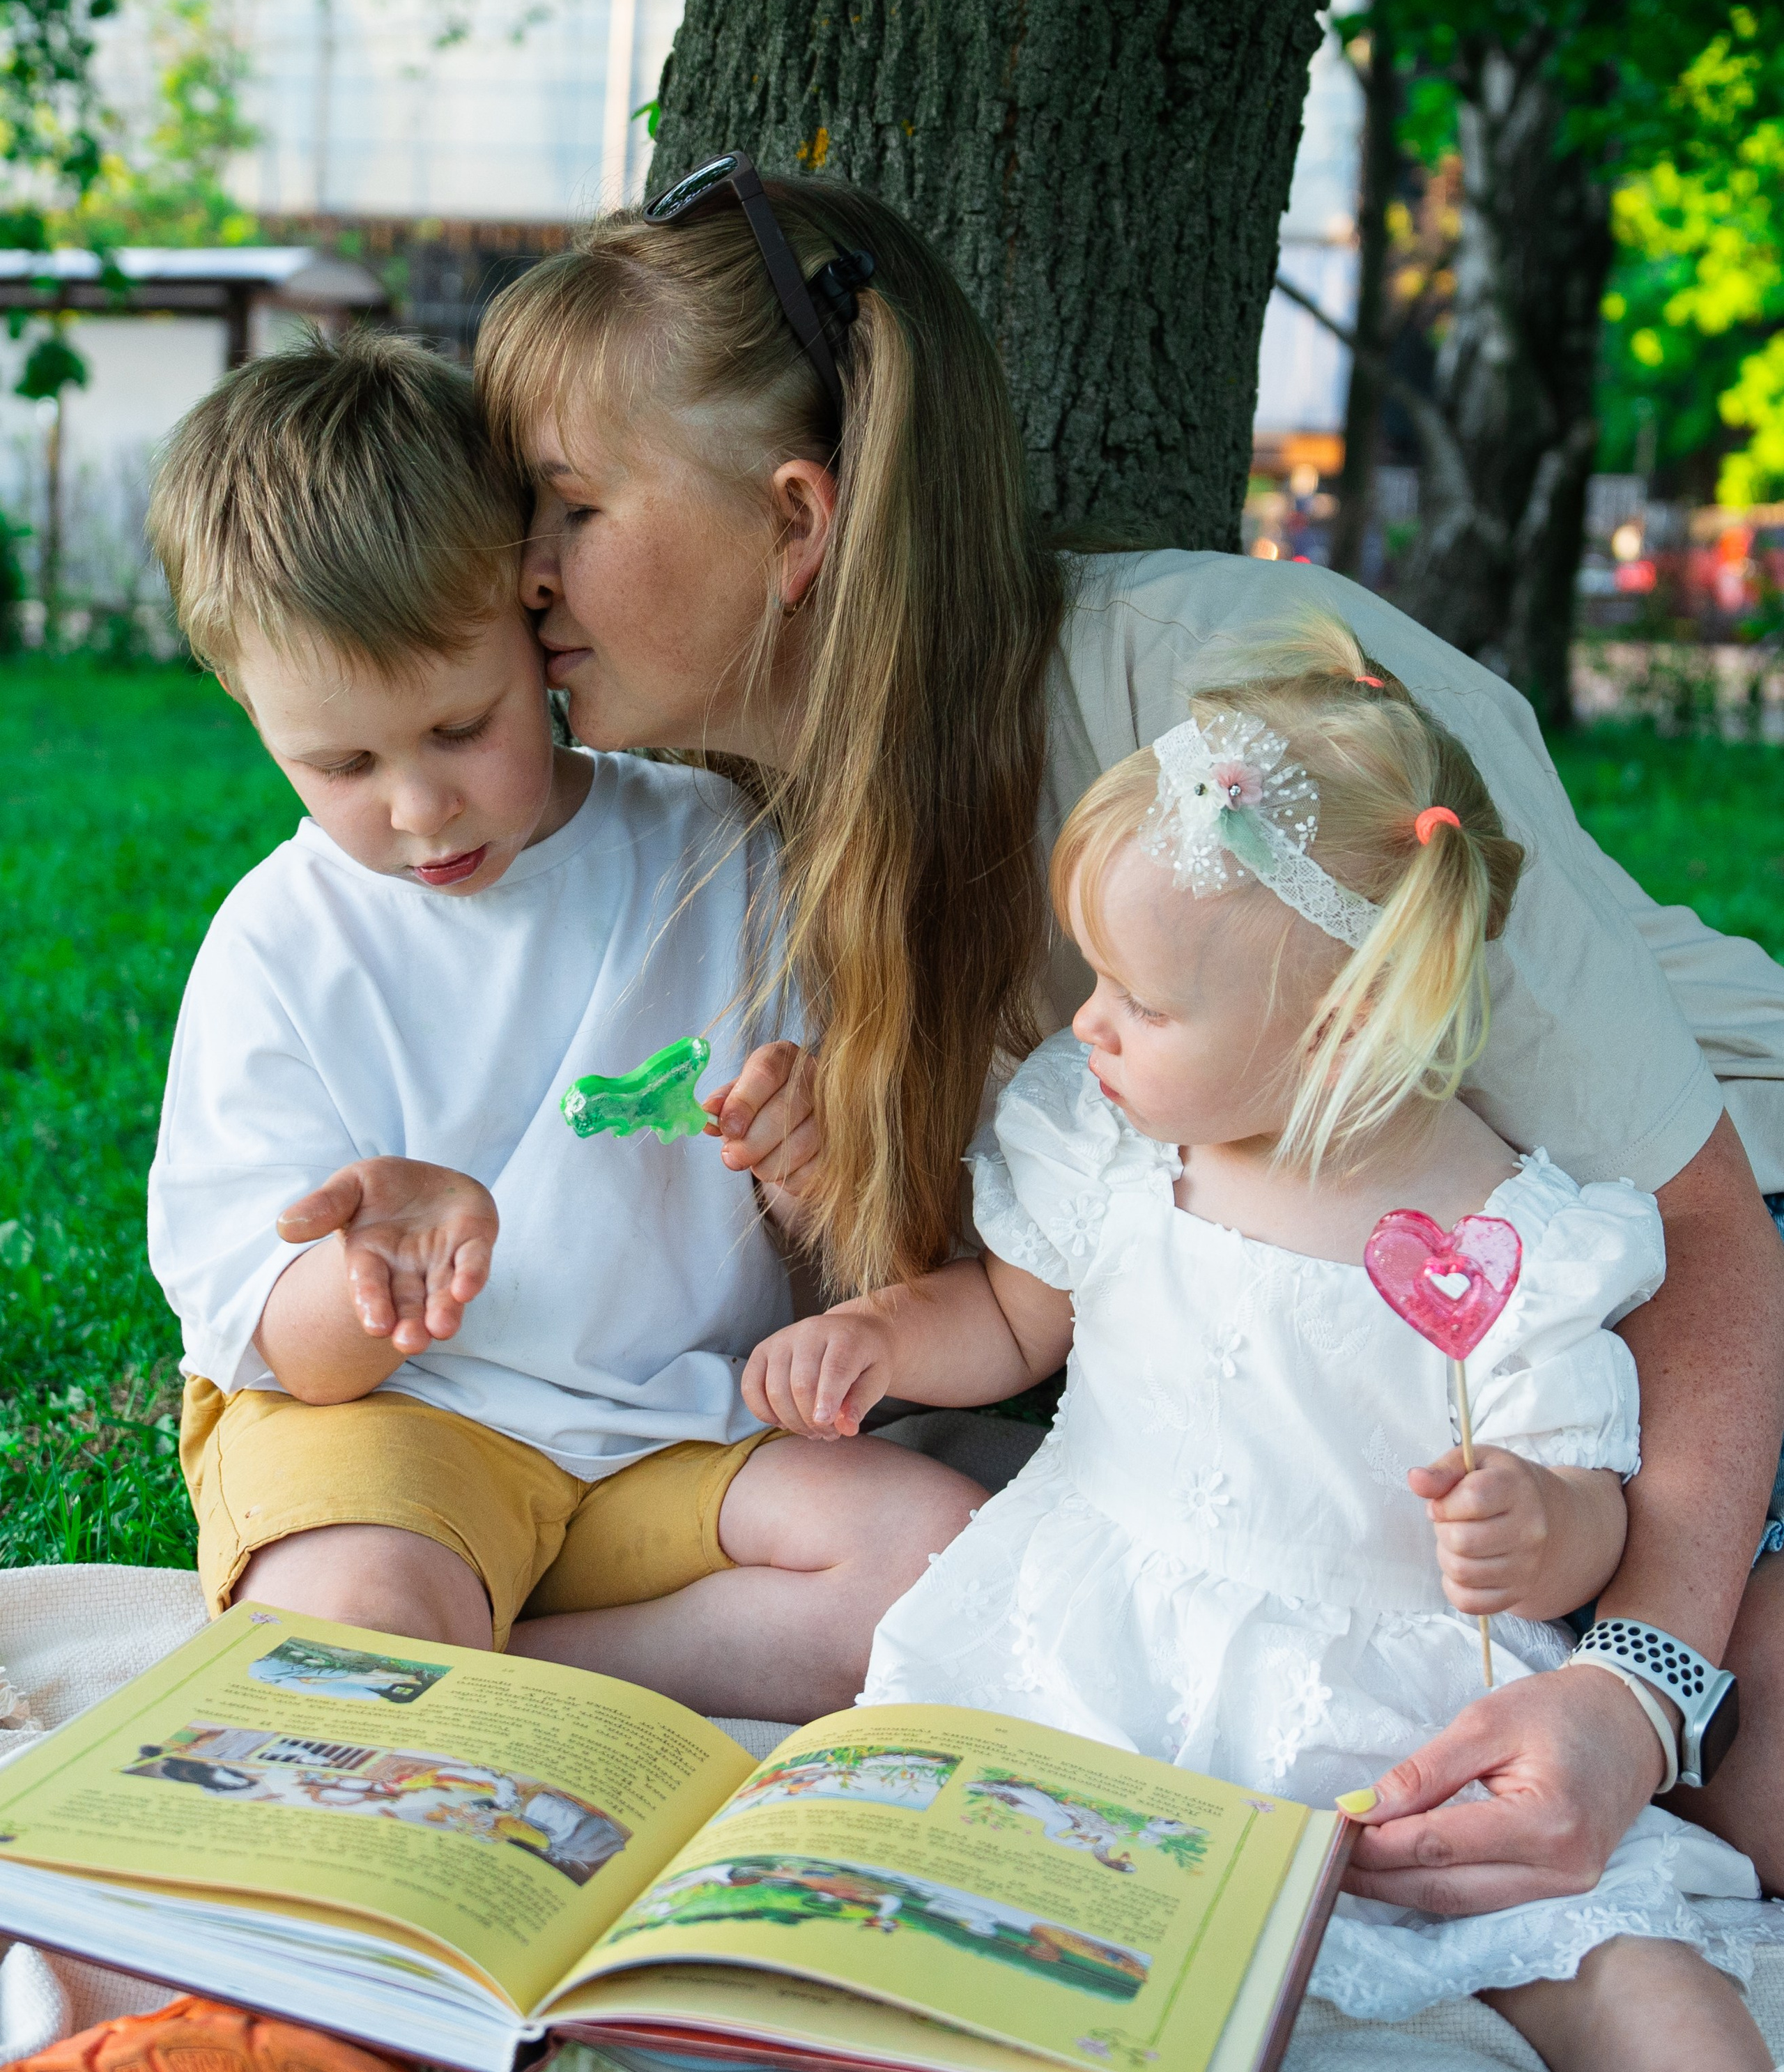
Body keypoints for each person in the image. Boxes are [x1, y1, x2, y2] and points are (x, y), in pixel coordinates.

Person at [475, 160, 1784, 1903]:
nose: (522, 575)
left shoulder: (1230, 705)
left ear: (795, 524)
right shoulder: (732, 828)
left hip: (1682, 1275)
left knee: (1713, 1786)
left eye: (565, 509)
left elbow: (1689, 1212)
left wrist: (1638, 1686)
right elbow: (1054, 1275)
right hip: (1358, 1395)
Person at [748, 615, 1781, 2072]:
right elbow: (1017, 1316)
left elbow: (1589, 1494)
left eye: (1138, 1002)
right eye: (1092, 975)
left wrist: (1532, 1515)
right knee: (913, 1843)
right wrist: (886, 1336)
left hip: (1382, 1696)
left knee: (1582, 1936)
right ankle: (736, 2042)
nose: (1085, 1021)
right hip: (1095, 1646)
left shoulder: (1508, 1235)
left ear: (1341, 1031)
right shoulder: (1109, 1150)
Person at [144, 332, 981, 1719]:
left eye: (462, 727)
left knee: (941, 1568)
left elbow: (843, 1244)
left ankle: (501, 1678)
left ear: (532, 622)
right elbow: (273, 1340)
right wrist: (374, 1284)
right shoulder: (283, 947)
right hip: (401, 1442)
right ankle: (418, 1649)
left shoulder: (718, 852)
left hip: (664, 1434)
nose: (420, 811)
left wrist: (811, 1152)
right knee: (355, 1605)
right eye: (342, 764)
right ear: (250, 708)